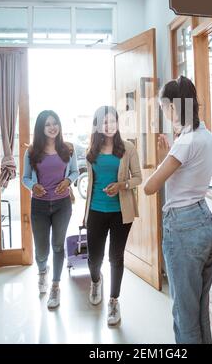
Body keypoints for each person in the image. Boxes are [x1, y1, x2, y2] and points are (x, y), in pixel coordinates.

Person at [144, 75, 212, 344]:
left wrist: (165, 155)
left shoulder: (184, 143)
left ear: (174, 107)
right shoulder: (204, 135)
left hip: (184, 227)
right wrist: (171, 151)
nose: (164, 113)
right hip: (205, 222)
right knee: (200, 311)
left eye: (164, 107)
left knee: (184, 315)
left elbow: (150, 187)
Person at [84, 106, 142, 326]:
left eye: (112, 121)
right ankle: (96, 281)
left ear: (118, 123)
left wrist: (121, 185)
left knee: (116, 258)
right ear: (98, 126)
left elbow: (138, 177)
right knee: (94, 259)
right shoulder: (92, 151)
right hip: (96, 211)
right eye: (104, 122)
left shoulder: (128, 148)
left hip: (120, 213)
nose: (109, 125)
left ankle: (113, 300)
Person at [22, 110, 78, 309]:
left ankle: (55, 286)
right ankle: (42, 272)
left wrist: (68, 180)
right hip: (39, 205)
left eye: (55, 123)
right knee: (42, 250)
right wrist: (32, 186)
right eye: (48, 124)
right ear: (41, 128)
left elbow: (74, 171)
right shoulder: (31, 152)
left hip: (62, 205)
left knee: (57, 246)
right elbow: (25, 178)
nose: (52, 127)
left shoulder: (67, 149)